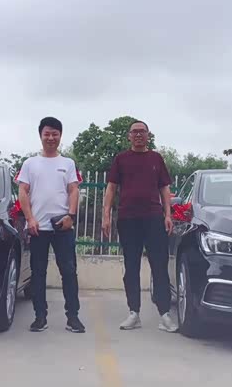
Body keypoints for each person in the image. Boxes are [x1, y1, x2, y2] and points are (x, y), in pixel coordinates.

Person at [102, 119, 177, 332]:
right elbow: (111, 188)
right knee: (131, 267)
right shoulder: (121, 159)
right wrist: (106, 215)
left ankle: (165, 314)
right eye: (134, 132)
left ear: (148, 135)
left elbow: (164, 188)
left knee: (159, 266)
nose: (138, 135)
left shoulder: (156, 158)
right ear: (129, 136)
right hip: (128, 219)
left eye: (142, 131)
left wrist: (168, 214)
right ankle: (133, 313)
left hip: (153, 218)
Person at [16, 116, 86, 333]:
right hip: (38, 228)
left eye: (55, 134)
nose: (51, 137)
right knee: (38, 273)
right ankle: (40, 317)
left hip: (63, 227)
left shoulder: (68, 164)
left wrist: (70, 216)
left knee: (69, 272)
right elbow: (23, 191)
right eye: (47, 133)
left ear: (60, 136)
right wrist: (30, 219)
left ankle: (73, 317)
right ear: (41, 135)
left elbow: (73, 190)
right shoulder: (30, 164)